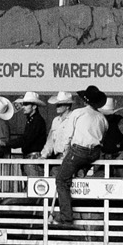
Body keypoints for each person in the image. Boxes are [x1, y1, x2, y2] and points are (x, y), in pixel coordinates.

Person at [53, 86, 107, 228]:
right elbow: (103, 137)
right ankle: (81, 169)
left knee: (61, 180)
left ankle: (66, 217)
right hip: (94, 152)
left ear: (85, 101)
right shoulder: (102, 118)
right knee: (78, 165)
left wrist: (65, 152)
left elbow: (68, 135)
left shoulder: (78, 113)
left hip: (78, 151)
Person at [14, 91, 48, 176]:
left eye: (26, 105)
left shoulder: (36, 121)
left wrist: (6, 143)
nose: (23, 107)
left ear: (34, 106)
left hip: (33, 160)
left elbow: (26, 140)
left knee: (33, 185)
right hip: (31, 159)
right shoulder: (32, 120)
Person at [39, 90, 77, 162]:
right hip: (57, 156)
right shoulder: (56, 120)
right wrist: (44, 155)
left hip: (70, 157)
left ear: (67, 106)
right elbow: (50, 141)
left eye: (60, 104)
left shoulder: (74, 118)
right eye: (57, 104)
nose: (57, 107)